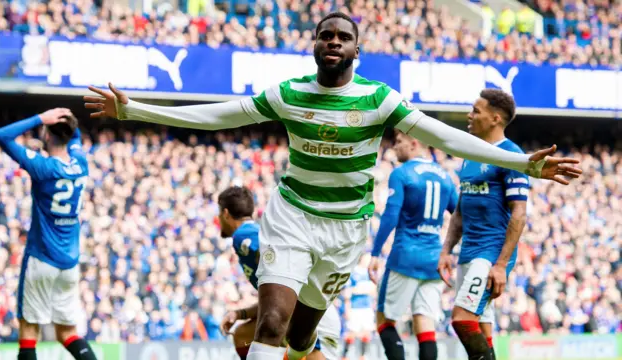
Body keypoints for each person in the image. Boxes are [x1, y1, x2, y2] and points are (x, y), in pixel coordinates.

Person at [84, 12, 581, 360]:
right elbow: (219, 116)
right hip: (292, 219)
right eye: (326, 35)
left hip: (345, 234)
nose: (333, 41)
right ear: (315, 45)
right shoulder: (289, 93)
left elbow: (446, 137)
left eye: (343, 36)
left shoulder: (380, 100)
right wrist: (134, 110)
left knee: (302, 337)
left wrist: (523, 165)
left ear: (356, 50)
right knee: (273, 323)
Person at [0, 109, 95, 360]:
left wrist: (40, 118)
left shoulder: (42, 167)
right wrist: (68, 120)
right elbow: (75, 137)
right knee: (67, 332)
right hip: (70, 263)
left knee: (28, 329)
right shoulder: (80, 163)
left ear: (47, 135)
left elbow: (1, 136)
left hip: (41, 259)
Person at [438, 89, 531, 360]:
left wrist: (501, 265)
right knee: (481, 327)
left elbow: (519, 214)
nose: (469, 115)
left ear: (495, 118)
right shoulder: (470, 154)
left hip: (490, 255)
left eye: (476, 111)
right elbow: (459, 212)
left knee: (462, 320)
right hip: (468, 252)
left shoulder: (513, 155)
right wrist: (446, 251)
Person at [216, 186, 341, 360]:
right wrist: (239, 314)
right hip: (307, 309)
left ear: (226, 214)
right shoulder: (254, 233)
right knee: (243, 335)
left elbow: (281, 271)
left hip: (311, 315)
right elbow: (277, 300)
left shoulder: (243, 236)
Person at [368, 131, 458, 360]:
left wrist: (375, 253)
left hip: (405, 256)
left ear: (414, 143)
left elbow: (390, 216)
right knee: (425, 323)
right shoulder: (445, 176)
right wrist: (449, 250)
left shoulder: (402, 173)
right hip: (433, 261)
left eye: (399, 142)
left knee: (383, 319)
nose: (394, 148)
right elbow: (460, 215)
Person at [341, 254, 376, 360]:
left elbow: (374, 291)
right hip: (355, 308)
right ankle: (344, 356)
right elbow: (346, 292)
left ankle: (362, 356)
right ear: (361, 258)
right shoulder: (353, 272)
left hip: (367, 307)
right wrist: (347, 308)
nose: (368, 260)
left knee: (366, 332)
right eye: (367, 258)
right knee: (351, 332)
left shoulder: (370, 273)